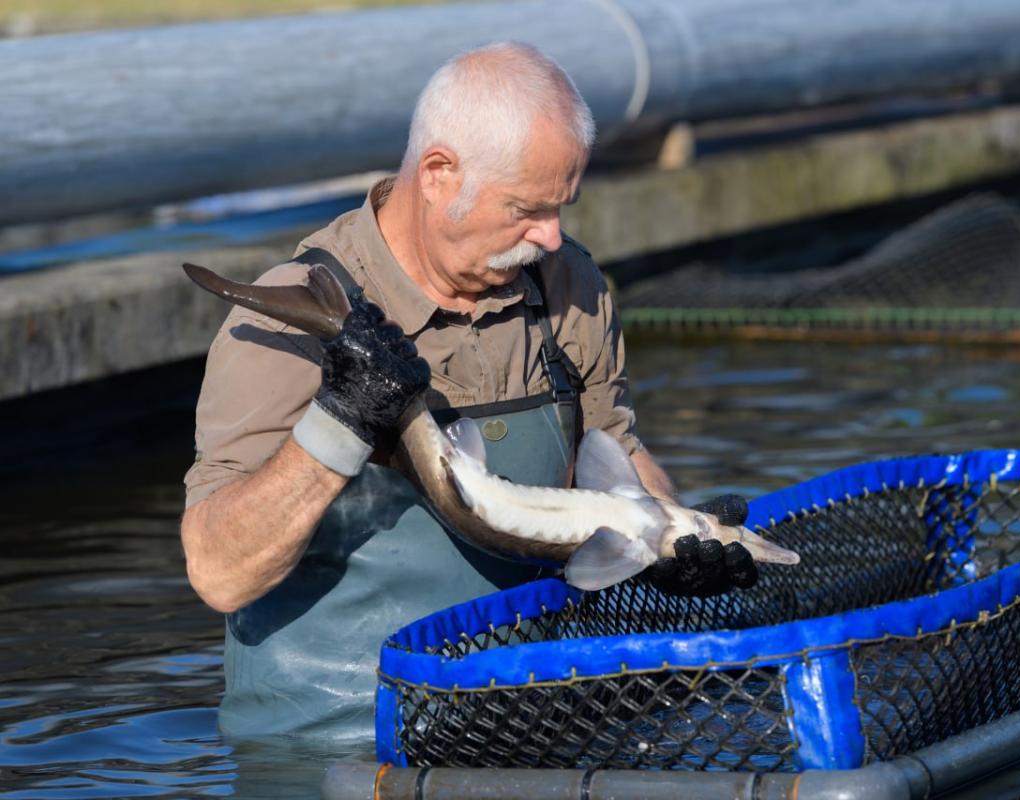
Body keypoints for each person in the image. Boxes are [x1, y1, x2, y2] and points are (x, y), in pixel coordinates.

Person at [180, 42, 756, 741]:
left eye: (562, 207)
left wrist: (669, 539)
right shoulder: (283, 316)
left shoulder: (566, 284)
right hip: (339, 739)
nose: (550, 236)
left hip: (532, 716)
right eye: (525, 209)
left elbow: (619, 450)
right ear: (439, 174)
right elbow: (218, 573)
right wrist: (341, 421)